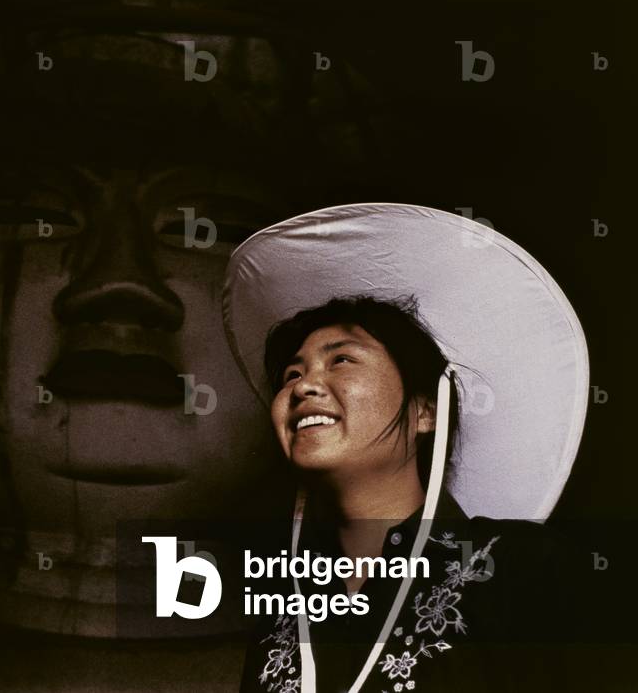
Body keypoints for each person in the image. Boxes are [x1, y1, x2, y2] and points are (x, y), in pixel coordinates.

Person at [223, 203, 596, 692]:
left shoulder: (520, 570)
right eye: (292, 373)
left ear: (427, 411)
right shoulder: (282, 617)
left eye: (341, 361)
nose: (303, 386)